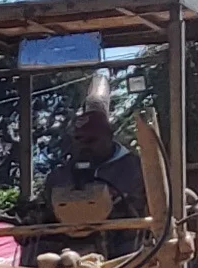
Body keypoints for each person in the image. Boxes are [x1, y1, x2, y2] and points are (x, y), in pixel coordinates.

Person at [32, 89, 147, 257]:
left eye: (91, 140)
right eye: (78, 140)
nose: (84, 146)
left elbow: (148, 208)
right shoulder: (59, 176)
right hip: (66, 252)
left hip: (124, 251)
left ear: (109, 137)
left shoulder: (135, 168)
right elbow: (44, 212)